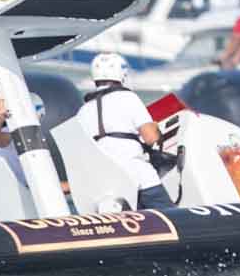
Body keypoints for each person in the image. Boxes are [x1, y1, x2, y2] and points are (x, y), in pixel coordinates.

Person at [69, 52, 176, 209]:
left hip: (106, 185)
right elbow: (151, 137)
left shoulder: (83, 111)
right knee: (169, 218)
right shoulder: (128, 98)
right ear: (122, 74)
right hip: (139, 177)